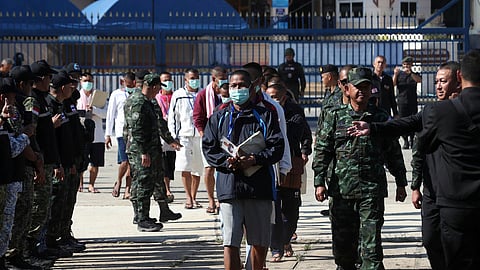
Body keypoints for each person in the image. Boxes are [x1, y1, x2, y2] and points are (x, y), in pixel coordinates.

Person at [347, 60, 464, 270]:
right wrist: (373, 128)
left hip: (459, 191)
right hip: (433, 191)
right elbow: (407, 125)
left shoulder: (467, 111)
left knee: (458, 245)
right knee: (430, 240)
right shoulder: (432, 111)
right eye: (436, 81)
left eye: (443, 81)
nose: (438, 86)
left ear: (458, 81)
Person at [312, 67, 407, 270]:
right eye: (357, 87)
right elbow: (323, 150)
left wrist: (401, 182)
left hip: (371, 191)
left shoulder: (380, 118)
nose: (362, 91)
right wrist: (319, 181)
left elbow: (393, 152)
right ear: (347, 89)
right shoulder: (335, 116)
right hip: (341, 192)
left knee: (371, 251)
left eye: (366, 86)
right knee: (344, 251)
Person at [202, 69, 284, 270]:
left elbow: (277, 147)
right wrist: (227, 162)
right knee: (230, 241)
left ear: (252, 87)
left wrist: (255, 159)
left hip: (259, 187)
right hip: (230, 187)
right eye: (233, 86)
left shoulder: (265, 115)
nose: (237, 89)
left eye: (241, 85)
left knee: (259, 240)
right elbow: (209, 148)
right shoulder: (219, 116)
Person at [266, 83, 312, 263]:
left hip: (292, 164)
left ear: (284, 97)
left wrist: (305, 151)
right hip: (270, 165)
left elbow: (306, 134)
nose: (272, 100)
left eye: (276, 96)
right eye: (269, 96)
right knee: (273, 209)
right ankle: (276, 246)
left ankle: (286, 239)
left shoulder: (295, 113)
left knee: (291, 210)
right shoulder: (264, 113)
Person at [124, 73, 171, 232]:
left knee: (142, 183)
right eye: (158, 87)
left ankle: (141, 215)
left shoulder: (144, 101)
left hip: (144, 149)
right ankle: (142, 220)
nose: (159, 91)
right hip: (141, 150)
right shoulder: (139, 102)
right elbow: (136, 129)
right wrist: (144, 152)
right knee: (143, 183)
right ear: (153, 86)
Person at [193, 66, 228, 213]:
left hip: (226, 138)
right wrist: (203, 135)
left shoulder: (227, 93)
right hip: (209, 136)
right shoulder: (203, 95)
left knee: (224, 168)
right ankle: (211, 199)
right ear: (214, 79)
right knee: (209, 168)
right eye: (222, 79)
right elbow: (198, 117)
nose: (224, 81)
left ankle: (222, 198)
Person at [168, 68, 204, 209]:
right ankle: (188, 197)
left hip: (199, 136)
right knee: (185, 166)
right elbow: (173, 117)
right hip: (183, 136)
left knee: (197, 168)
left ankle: (194, 197)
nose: (194, 80)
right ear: (186, 79)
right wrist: (172, 137)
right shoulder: (178, 95)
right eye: (191, 78)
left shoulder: (202, 94)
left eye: (196, 77)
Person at [106, 72, 135, 199]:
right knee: (124, 161)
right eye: (127, 84)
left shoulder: (137, 94)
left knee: (132, 163)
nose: (129, 87)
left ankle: (128, 189)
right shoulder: (116, 94)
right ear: (122, 82)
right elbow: (110, 115)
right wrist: (108, 134)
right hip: (121, 132)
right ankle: (119, 181)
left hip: (134, 132)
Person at [77, 72, 107, 193]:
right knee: (81, 161)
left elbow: (105, 113)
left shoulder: (99, 96)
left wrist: (94, 110)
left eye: (90, 81)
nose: (87, 83)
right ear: (80, 81)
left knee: (96, 161)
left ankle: (91, 184)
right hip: (82, 133)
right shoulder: (76, 96)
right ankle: (80, 184)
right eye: (85, 81)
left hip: (97, 134)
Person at [155, 71, 176, 203]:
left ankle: (167, 187)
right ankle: (166, 189)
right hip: (160, 135)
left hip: (172, 134)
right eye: (164, 80)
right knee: (162, 164)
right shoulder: (156, 98)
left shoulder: (175, 96)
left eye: (169, 80)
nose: (167, 83)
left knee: (170, 162)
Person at [393, 56, 421, 149]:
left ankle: (412, 139)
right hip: (402, 102)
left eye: (408, 64)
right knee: (403, 120)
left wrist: (411, 73)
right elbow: (393, 84)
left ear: (411, 65)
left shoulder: (414, 74)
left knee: (413, 120)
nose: (406, 66)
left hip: (412, 101)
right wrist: (396, 74)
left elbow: (419, 80)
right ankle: (405, 140)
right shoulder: (400, 74)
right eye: (405, 64)